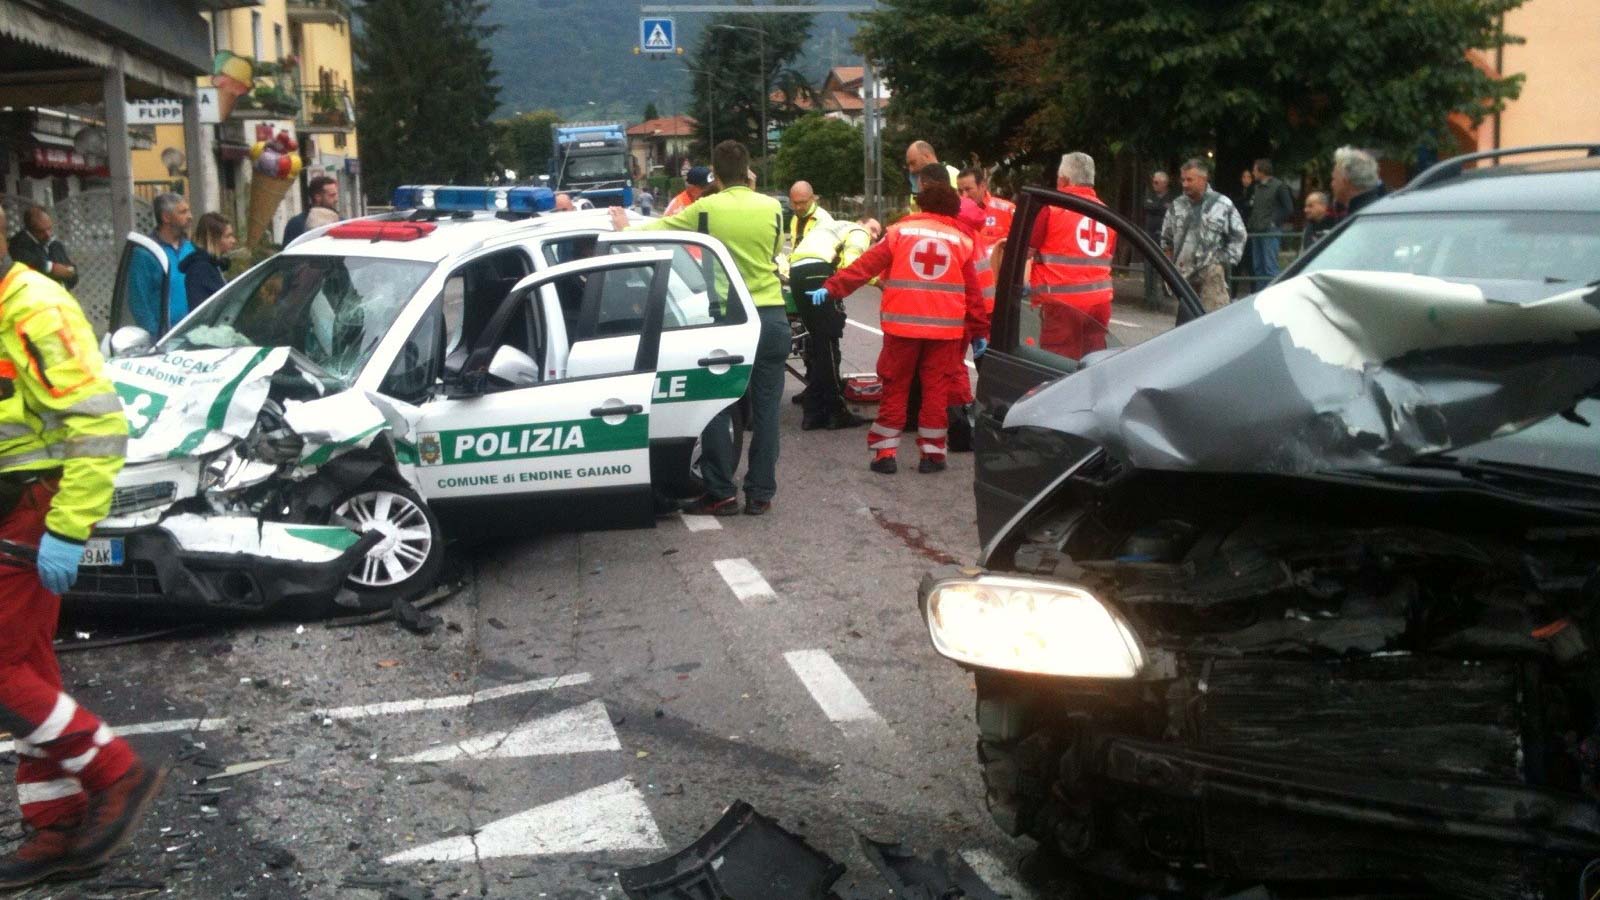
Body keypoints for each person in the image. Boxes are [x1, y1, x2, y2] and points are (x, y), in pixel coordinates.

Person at [0, 208, 166, 890]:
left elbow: (99, 427)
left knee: (4, 672)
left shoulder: (35, 306)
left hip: (30, 511)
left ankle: (115, 773)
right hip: (13, 512)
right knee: (28, 670)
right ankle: (57, 827)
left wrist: (69, 528)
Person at [608, 140, 786, 517]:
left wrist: (623, 226)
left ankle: (720, 491)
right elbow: (774, 251)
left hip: (729, 318)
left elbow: (657, 230)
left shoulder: (705, 207)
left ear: (716, 176)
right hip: (771, 316)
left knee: (716, 405)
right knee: (768, 411)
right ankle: (761, 493)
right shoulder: (772, 206)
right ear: (749, 170)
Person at [810, 176, 987, 475]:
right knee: (935, 391)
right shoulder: (962, 241)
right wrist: (981, 332)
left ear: (921, 202)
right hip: (944, 332)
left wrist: (831, 288)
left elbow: (864, 266)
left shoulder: (899, 232)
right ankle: (932, 455)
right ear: (953, 208)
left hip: (902, 329)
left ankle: (885, 454)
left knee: (895, 388)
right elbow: (973, 293)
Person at [788, 217, 879, 430]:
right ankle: (834, 411)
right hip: (819, 273)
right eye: (874, 229)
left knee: (819, 342)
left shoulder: (830, 225)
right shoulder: (858, 231)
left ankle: (814, 412)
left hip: (797, 273)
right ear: (861, 222)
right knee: (828, 342)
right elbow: (852, 266)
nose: (874, 236)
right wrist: (878, 282)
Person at [1028, 152, 1117, 360]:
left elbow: (1027, 252)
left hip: (1062, 304)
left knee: (1058, 366)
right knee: (1093, 362)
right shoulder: (1107, 214)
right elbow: (1108, 255)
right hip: (1100, 304)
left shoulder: (1053, 209)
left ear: (1064, 180)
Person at [1161, 158, 1248, 313]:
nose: (1185, 184)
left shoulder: (1222, 204)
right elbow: (1166, 240)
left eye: (1189, 180)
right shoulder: (1176, 206)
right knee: (1185, 329)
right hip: (1184, 279)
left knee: (1213, 327)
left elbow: (1239, 235)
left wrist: (1222, 261)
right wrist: (1168, 270)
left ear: (1203, 179)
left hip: (1212, 280)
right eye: (1183, 180)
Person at [127, 192, 194, 337]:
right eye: (183, 212)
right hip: (165, 339)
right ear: (166, 217)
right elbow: (139, 302)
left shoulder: (191, 248)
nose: (190, 216)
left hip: (196, 334)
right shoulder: (147, 253)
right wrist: (157, 335)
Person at [1247, 158, 1295, 281]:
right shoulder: (1257, 187)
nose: (1253, 172)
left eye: (1255, 169)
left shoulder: (1279, 186)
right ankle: (1259, 296)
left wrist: (1273, 221)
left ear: (1261, 171)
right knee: (1258, 268)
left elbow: (1289, 208)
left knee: (1270, 268)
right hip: (1256, 230)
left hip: (1269, 230)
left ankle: (1272, 296)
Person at [8, 207, 77, 291]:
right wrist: (51, 268)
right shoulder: (18, 244)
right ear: (30, 230)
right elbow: (30, 263)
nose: (48, 234)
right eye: (41, 231)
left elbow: (73, 274)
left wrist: (69, 272)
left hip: (61, 297)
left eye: (49, 228)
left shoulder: (55, 244)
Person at [179, 212, 237, 311]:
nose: (233, 241)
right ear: (213, 239)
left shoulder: (214, 265)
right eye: (228, 236)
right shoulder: (200, 270)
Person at [956, 167, 1016, 248]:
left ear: (982, 186)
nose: (964, 195)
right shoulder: (955, 213)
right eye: (960, 191)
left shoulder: (1007, 210)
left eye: (968, 189)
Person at [1329, 145, 1387, 220]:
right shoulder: (1383, 209)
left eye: (1334, 179)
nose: (1331, 184)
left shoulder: (1359, 220)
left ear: (1345, 181)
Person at [280, 175, 339, 246]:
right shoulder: (297, 224)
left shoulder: (341, 222)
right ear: (318, 197)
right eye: (332, 195)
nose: (336, 199)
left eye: (336, 195)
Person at [787, 180, 833, 250]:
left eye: (802, 202)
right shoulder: (795, 218)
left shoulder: (824, 220)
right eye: (795, 203)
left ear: (813, 198)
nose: (798, 207)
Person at [1141, 171, 1174, 241]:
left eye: (1156, 182)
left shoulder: (1172, 197)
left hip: (1165, 235)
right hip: (1150, 235)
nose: (1153, 184)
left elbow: (1171, 212)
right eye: (1153, 182)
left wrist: (1154, 207)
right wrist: (1162, 207)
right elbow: (1147, 206)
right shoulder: (1150, 194)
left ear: (1164, 183)